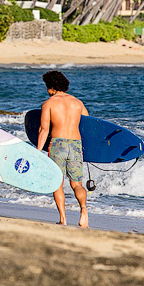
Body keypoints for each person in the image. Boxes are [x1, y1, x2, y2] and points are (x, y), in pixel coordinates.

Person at [38, 70, 89, 228]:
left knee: (57, 184)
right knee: (77, 184)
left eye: (47, 88)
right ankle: (84, 210)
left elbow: (44, 129)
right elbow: (88, 125)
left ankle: (63, 218)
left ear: (52, 87)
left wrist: (38, 151)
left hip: (58, 144)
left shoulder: (49, 103)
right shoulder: (78, 103)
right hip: (75, 144)